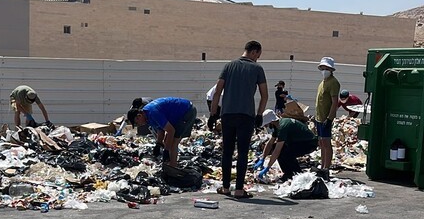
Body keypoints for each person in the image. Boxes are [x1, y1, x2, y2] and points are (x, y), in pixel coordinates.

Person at [210, 40, 268, 199]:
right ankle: (240, 190)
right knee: (242, 152)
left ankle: (226, 187)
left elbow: (217, 91)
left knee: (227, 152)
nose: (258, 59)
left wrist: (213, 114)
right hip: (246, 115)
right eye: (258, 55)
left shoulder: (229, 66)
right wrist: (259, 114)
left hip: (227, 114)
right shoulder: (257, 68)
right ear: (255, 52)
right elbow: (264, 95)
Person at [127, 97, 197, 167]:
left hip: (187, 111)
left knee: (173, 143)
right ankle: (169, 163)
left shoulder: (153, 113)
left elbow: (171, 131)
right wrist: (158, 144)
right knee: (167, 141)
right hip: (176, 116)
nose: (138, 125)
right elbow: (160, 130)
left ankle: (173, 167)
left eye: (137, 123)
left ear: (139, 116)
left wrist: (166, 150)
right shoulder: (147, 117)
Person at [255, 109, 319, 182]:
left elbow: (277, 150)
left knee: (285, 152)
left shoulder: (283, 127)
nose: (266, 127)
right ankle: (288, 173)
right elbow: (270, 143)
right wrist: (262, 158)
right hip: (300, 142)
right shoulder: (278, 125)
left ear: (271, 121)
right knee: (280, 149)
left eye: (266, 124)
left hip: (309, 143)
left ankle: (296, 173)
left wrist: (267, 167)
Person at [315, 56, 340, 179]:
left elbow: (334, 102)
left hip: (326, 118)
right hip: (319, 117)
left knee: (326, 142)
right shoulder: (322, 83)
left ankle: (326, 168)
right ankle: (322, 165)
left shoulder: (333, 83)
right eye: (322, 68)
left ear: (331, 70)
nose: (324, 70)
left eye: (326, 68)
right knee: (321, 142)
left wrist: (329, 118)